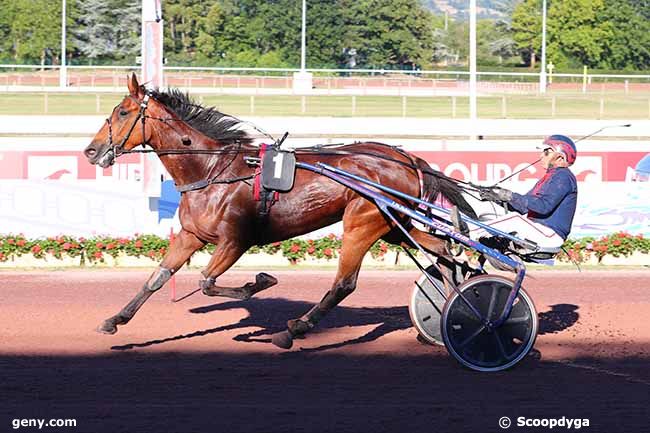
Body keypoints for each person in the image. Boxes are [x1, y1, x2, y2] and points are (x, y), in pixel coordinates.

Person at [474, 134, 578, 252]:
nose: (541, 156)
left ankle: (470, 231)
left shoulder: (563, 177)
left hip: (550, 235)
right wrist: (497, 197)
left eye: (546, 152)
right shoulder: (550, 177)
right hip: (539, 231)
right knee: (489, 216)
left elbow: (543, 206)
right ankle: (475, 232)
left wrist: (510, 195)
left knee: (514, 219)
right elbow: (523, 208)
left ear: (560, 157)